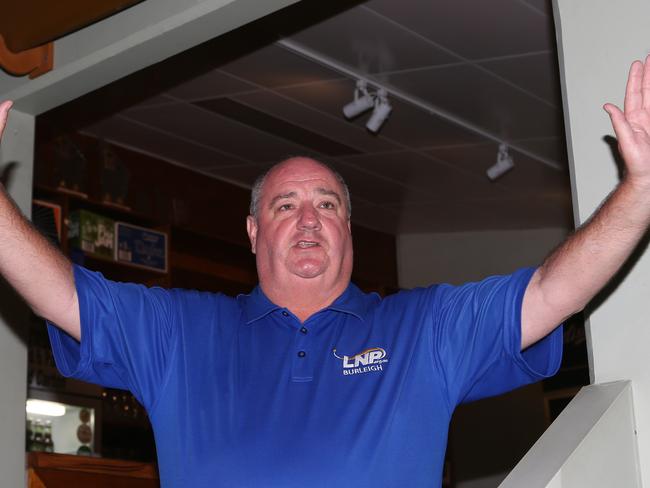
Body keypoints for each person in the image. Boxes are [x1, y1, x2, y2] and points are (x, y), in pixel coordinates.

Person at [2, 56, 650, 487]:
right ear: (255, 232)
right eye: (286, 206)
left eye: (328, 205)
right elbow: (62, 296)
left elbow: (551, 291)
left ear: (347, 229)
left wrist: (638, 194)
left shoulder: (421, 331)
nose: (309, 221)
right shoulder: (180, 332)